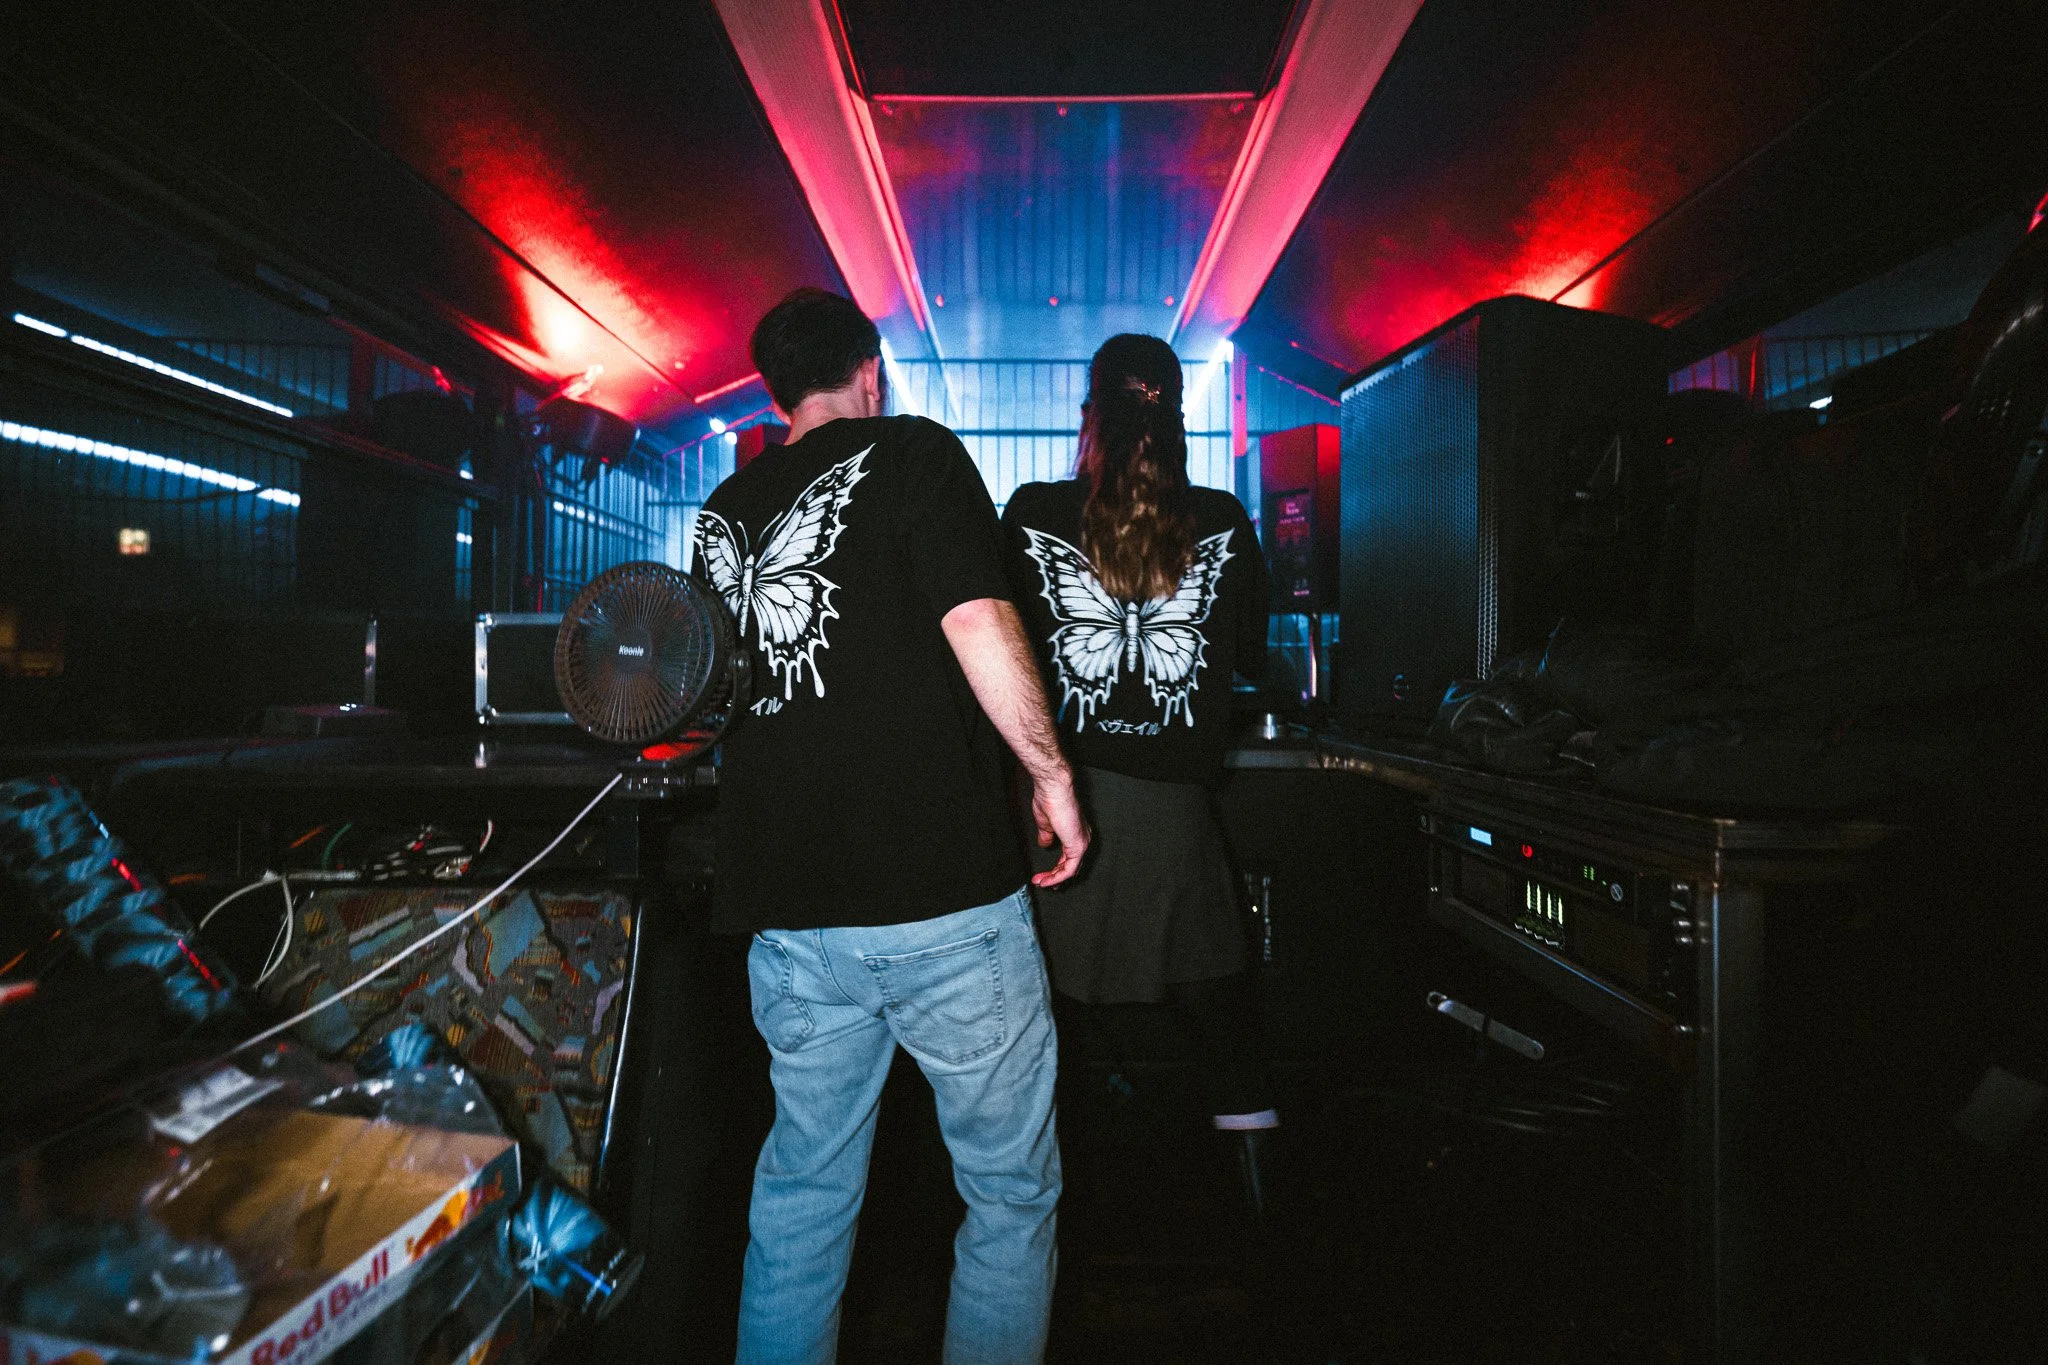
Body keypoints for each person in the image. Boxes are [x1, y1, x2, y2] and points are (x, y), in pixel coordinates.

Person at [694, 287, 1089, 1365]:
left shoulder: (724, 511)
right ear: (870, 369)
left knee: (802, 1193)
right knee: (1007, 1194)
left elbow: (711, 697)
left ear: (777, 391)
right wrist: (1050, 772)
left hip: (790, 916)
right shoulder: (913, 451)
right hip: (942, 902)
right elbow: (976, 614)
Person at [999, 333, 1279, 1217]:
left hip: (1057, 818)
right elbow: (1251, 656)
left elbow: (997, 658)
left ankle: (1052, 1226)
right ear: (1180, 418)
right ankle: (1264, 1237)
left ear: (1090, 415)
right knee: (1228, 1033)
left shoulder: (1035, 513)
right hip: (1176, 822)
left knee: (1042, 1038)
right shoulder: (1222, 520)